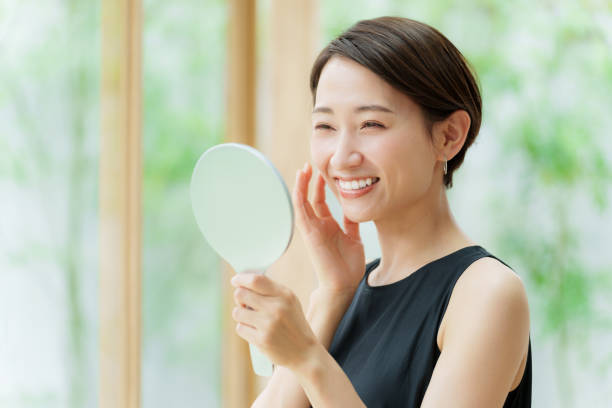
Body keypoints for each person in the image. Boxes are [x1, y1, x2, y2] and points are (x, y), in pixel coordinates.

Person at [230, 16, 532, 407]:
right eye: (325, 126)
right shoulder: (349, 290)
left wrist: (308, 357)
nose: (342, 156)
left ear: (449, 136)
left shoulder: (487, 293)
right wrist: (333, 293)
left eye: (370, 124)